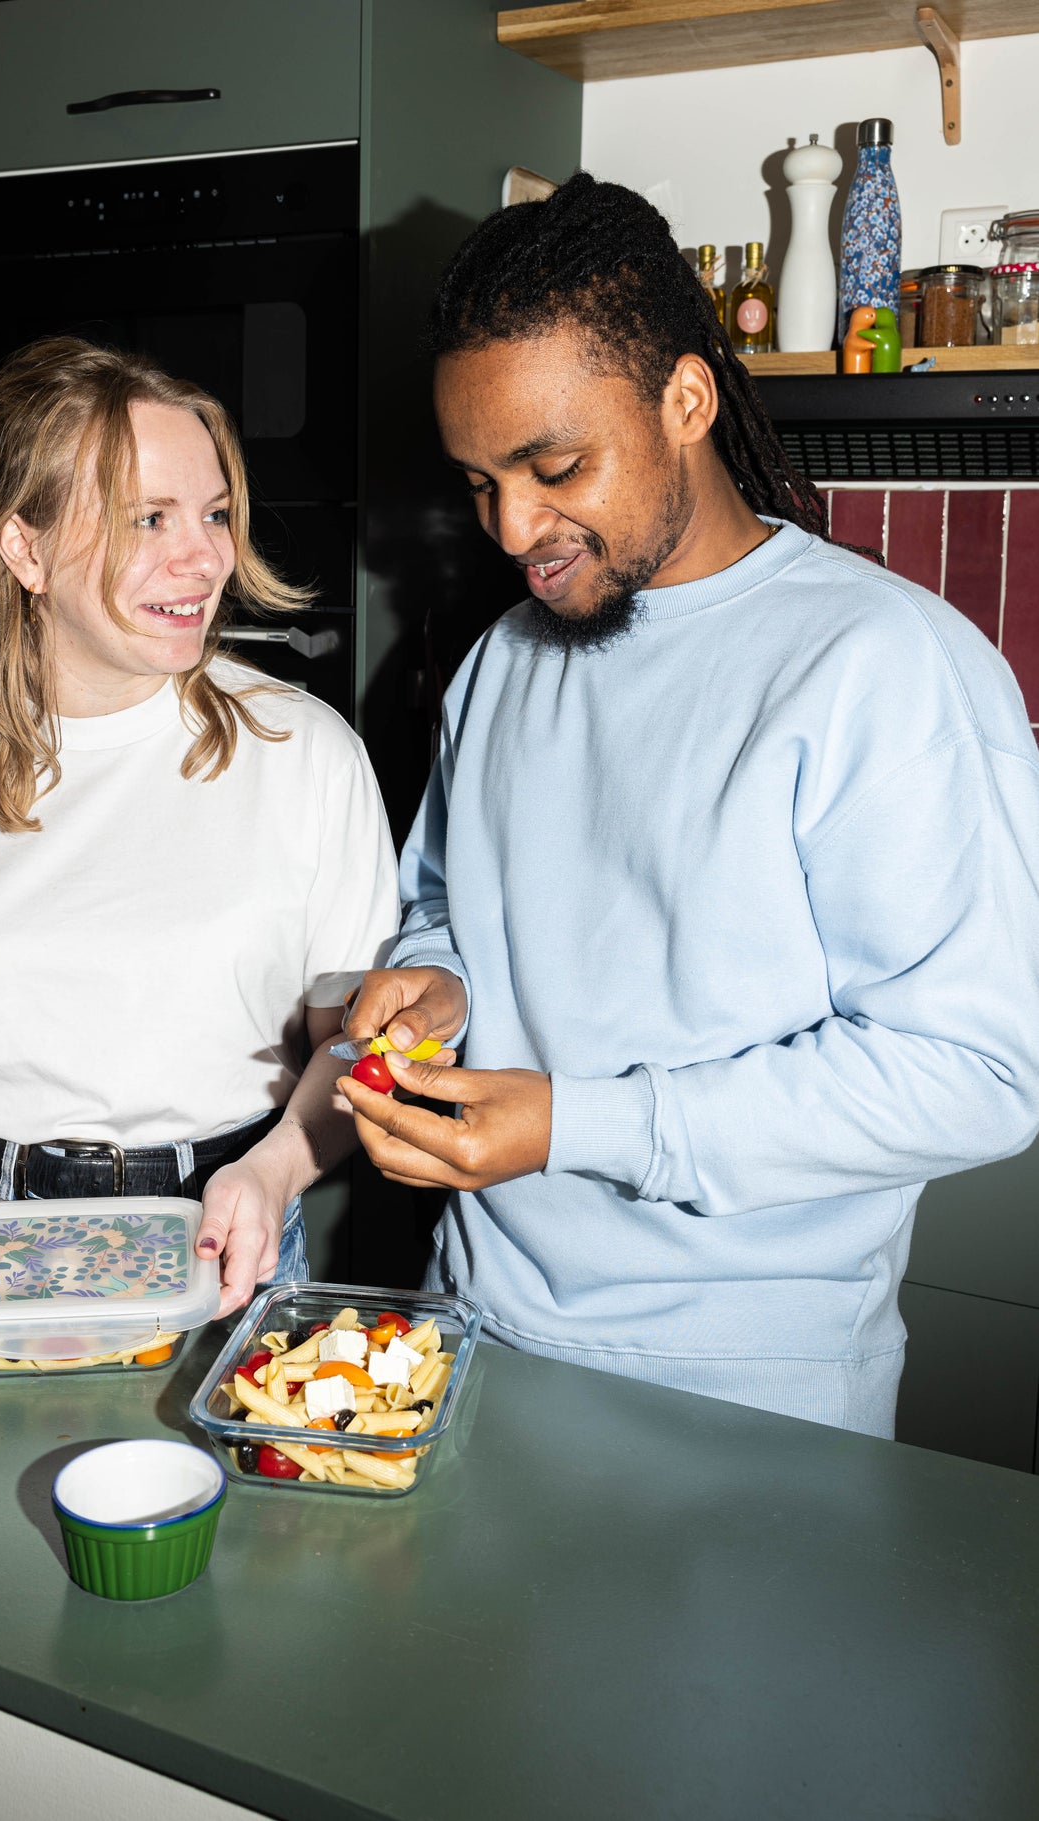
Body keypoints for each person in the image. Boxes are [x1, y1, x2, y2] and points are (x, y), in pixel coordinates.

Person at [339, 174, 1039, 1438]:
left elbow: (974, 1071)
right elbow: (446, 902)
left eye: (553, 466)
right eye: (478, 480)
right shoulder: (504, 660)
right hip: (466, 1335)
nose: (510, 526)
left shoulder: (880, 666)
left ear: (685, 397)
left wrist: (580, 1126)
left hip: (745, 1392)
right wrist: (435, 983)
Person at [0, 337, 399, 1351]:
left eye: (215, 512)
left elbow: (352, 1049)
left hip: (224, 1231)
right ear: (25, 551)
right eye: (150, 520)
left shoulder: (307, 755)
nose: (206, 556)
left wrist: (268, 1176)